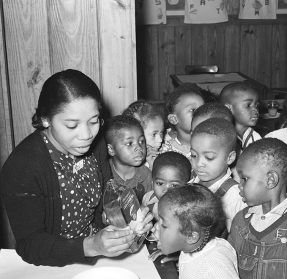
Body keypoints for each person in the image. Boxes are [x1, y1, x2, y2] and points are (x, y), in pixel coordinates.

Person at [0, 69, 152, 266]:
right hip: (53, 262)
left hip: (100, 252)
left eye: (94, 121)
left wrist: (129, 216)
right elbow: (30, 245)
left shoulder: (97, 144)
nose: (86, 134)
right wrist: (89, 246)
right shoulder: (22, 167)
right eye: (72, 125)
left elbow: (108, 194)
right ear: (46, 119)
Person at [228, 138, 287, 279]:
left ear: (271, 180)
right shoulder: (240, 221)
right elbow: (228, 268)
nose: (239, 185)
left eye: (244, 179)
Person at [157, 184, 247, 279]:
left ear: (191, 236)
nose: (156, 228)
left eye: (163, 225)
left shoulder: (213, 265)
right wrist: (176, 253)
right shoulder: (195, 246)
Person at [189, 118, 246, 231]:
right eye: (194, 155)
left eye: (209, 157)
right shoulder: (191, 184)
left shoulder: (235, 197)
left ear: (230, 158)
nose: (199, 163)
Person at [105, 115, 152, 203]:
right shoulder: (103, 174)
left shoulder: (146, 176)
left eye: (141, 141)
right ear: (111, 149)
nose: (139, 147)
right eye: (129, 143)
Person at [161, 83, 209, 159]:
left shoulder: (211, 143)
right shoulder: (167, 152)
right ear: (174, 119)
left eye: (203, 109)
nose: (201, 113)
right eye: (193, 110)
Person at [142, 151, 191, 220]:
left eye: (174, 185)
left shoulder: (185, 211)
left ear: (186, 187)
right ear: (152, 183)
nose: (166, 190)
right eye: (160, 183)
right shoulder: (148, 198)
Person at [220, 81, 261, 154]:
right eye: (248, 105)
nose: (255, 110)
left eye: (257, 105)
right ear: (229, 108)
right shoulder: (220, 137)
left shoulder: (255, 138)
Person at [122, 101, 164, 170]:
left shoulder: (163, 153)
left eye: (161, 133)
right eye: (154, 134)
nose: (160, 140)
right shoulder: (128, 162)